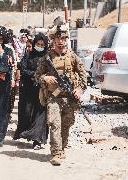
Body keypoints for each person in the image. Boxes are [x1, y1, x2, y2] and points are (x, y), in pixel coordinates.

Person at [34, 25, 87, 165]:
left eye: (63, 38)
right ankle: (56, 153)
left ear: (67, 39)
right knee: (54, 123)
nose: (61, 41)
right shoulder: (47, 58)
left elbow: (84, 76)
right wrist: (45, 78)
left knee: (66, 124)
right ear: (53, 39)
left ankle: (62, 147)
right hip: (54, 96)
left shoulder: (73, 56)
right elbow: (37, 76)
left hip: (69, 98)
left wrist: (80, 89)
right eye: (58, 38)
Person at [13, 33, 49, 149]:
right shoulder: (28, 56)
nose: (39, 46)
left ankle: (37, 140)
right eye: (38, 44)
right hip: (28, 89)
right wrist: (34, 74)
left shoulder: (48, 57)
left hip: (42, 90)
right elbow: (23, 70)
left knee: (40, 115)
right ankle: (26, 133)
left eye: (42, 45)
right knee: (27, 112)